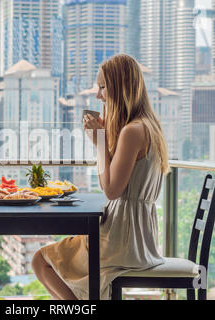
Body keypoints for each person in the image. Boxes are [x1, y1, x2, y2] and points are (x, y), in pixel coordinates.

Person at [32, 54, 170, 300]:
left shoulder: (132, 131)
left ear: (121, 88)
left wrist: (99, 142)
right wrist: (104, 141)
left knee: (40, 260)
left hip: (122, 238)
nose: (99, 95)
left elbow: (111, 191)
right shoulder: (149, 125)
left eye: (103, 87)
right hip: (141, 237)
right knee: (51, 257)